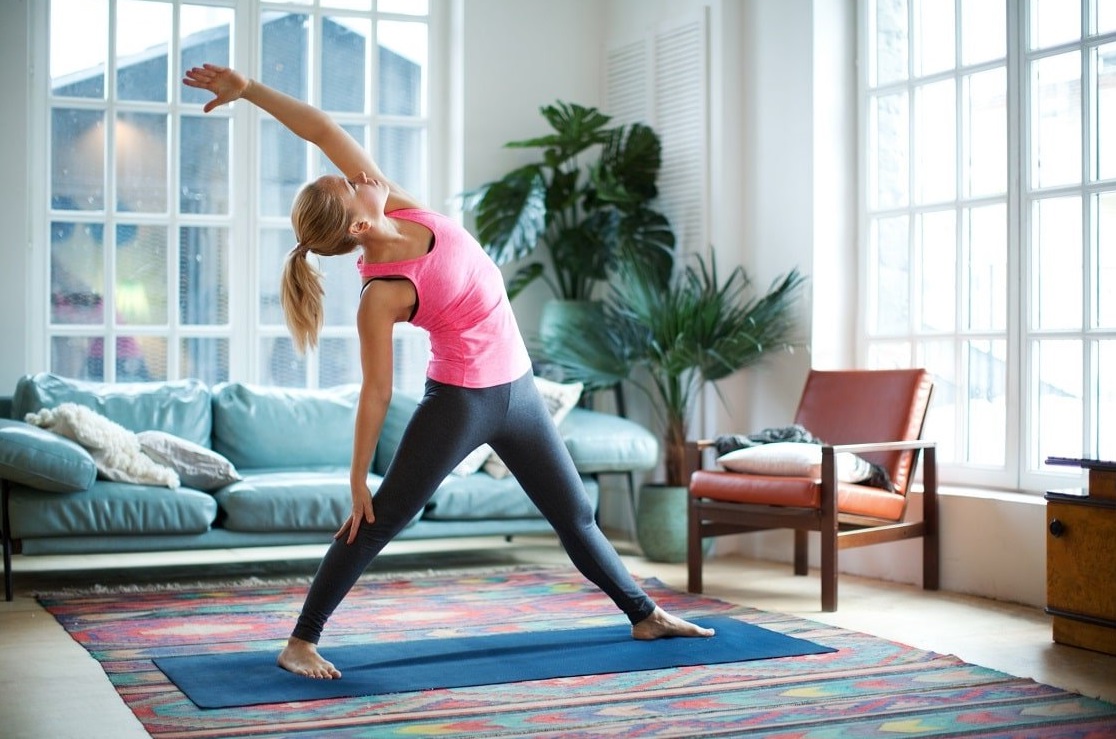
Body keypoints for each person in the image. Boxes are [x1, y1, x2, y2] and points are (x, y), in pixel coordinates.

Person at [183, 64, 714, 680]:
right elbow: (377, 391)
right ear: (357, 225)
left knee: (574, 515)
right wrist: (356, 476)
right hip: (462, 402)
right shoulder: (381, 293)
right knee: (377, 519)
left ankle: (643, 613)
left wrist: (249, 90)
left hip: (518, 389)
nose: (357, 175)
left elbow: (321, 128)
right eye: (348, 185)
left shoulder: (398, 203)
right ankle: (301, 640)